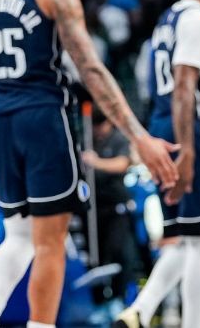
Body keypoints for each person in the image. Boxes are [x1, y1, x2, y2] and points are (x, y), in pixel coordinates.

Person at [0, 0, 178, 328]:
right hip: (43, 118)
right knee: (49, 243)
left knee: (19, 235)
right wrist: (139, 137)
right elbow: (91, 70)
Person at [114, 0, 200, 328]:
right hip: (191, 130)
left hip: (163, 126)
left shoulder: (168, 19)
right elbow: (184, 86)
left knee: (183, 238)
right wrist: (190, 153)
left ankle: (140, 310)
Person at [81, 110, 142, 302]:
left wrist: (96, 162)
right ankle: (100, 301)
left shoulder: (118, 139)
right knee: (95, 256)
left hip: (116, 208)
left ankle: (121, 299)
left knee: (119, 252)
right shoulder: (87, 139)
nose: (98, 130)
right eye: (95, 125)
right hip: (93, 209)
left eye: (101, 125)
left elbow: (122, 164)